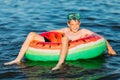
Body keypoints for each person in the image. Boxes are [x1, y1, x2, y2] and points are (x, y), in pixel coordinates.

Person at [4, 13, 116, 71]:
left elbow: (100, 37)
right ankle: (17, 59)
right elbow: (48, 33)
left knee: (64, 38)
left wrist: (110, 48)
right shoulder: (65, 30)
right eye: (72, 24)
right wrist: (41, 37)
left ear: (80, 23)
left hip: (70, 45)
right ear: (68, 24)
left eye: (77, 24)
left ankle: (59, 63)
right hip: (56, 44)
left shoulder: (83, 31)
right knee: (31, 34)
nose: (75, 27)